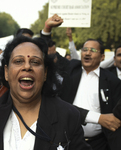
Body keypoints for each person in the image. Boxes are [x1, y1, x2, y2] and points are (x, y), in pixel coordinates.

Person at [42, 14, 121, 150]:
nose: (87, 53)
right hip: (67, 140)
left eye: (93, 50)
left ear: (102, 57)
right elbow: (45, 53)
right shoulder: (71, 68)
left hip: (99, 143)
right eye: (84, 49)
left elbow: (115, 119)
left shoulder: (112, 81)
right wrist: (47, 29)